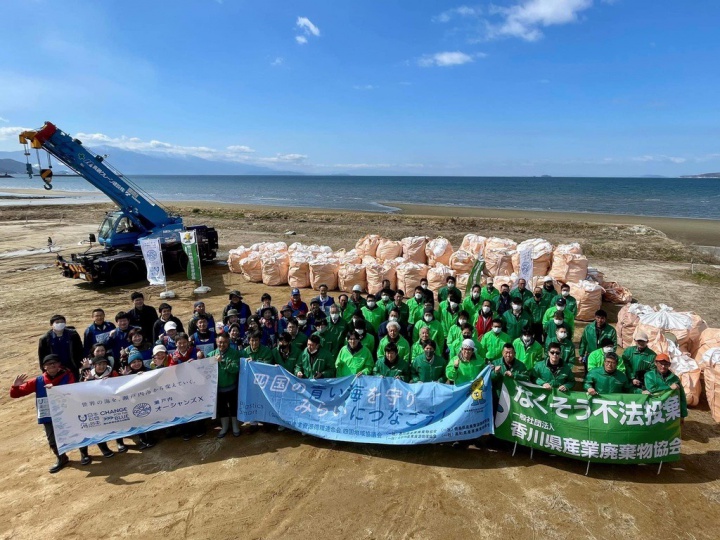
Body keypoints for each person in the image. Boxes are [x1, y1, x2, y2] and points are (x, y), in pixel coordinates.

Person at [10, 354, 91, 472]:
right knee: (52, 439)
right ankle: (61, 458)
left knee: (76, 433)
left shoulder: (68, 376)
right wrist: (15, 387)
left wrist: (55, 389)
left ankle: (84, 454)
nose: (52, 366)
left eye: (54, 363)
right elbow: (15, 394)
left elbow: (72, 389)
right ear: (44, 367)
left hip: (67, 411)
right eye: (49, 364)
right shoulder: (38, 381)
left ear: (59, 365)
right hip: (48, 415)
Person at [81, 356, 125, 456]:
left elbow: (120, 386)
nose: (102, 366)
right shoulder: (88, 374)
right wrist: (89, 380)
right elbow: (81, 389)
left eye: (104, 364)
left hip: (112, 404)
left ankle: (120, 442)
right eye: (99, 364)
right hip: (96, 406)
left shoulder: (112, 373)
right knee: (99, 427)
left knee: (117, 422)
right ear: (94, 366)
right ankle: (104, 448)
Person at [207, 334, 242, 438]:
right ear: (216, 342)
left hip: (232, 387)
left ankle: (235, 426)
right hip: (218, 389)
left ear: (228, 342)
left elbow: (235, 369)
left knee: (233, 407)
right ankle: (225, 427)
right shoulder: (211, 355)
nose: (222, 344)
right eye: (220, 342)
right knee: (222, 408)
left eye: (225, 342)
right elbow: (204, 369)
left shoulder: (235, 354)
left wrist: (222, 361)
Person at [120, 352, 156, 449]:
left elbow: (155, 382)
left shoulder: (148, 370)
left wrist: (145, 376)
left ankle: (150, 438)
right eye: (134, 362)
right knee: (138, 421)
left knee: (149, 419)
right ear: (129, 364)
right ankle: (142, 439)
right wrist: (125, 377)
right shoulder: (126, 374)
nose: (137, 364)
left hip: (148, 400)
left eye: (139, 361)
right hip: (133, 403)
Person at [644, 353, 688, 421]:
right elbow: (652, 390)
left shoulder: (675, 379)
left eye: (666, 364)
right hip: (654, 407)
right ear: (656, 363)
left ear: (669, 365)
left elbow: (681, 396)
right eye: (661, 364)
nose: (663, 366)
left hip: (668, 407)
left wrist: (683, 415)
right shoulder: (649, 375)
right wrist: (669, 388)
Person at [38, 314, 84, 379]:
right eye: (57, 322)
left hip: (72, 366)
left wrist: (80, 364)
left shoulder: (73, 335)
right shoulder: (45, 339)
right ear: (51, 324)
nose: (60, 324)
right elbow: (42, 356)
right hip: (54, 368)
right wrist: (44, 370)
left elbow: (79, 350)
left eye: (62, 322)